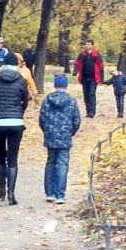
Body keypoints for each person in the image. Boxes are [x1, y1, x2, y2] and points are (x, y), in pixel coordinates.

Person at [0, 52, 29, 205]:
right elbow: (25, 100)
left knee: (0, 155)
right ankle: (11, 193)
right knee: (12, 158)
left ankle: (2, 190)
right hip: (15, 122)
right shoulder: (21, 80)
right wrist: (19, 112)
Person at [39, 74, 81, 204]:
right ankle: (60, 195)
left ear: (55, 85)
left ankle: (49, 193)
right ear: (66, 85)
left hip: (50, 136)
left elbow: (42, 118)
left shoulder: (47, 100)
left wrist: (47, 130)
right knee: (63, 164)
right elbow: (76, 120)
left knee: (50, 162)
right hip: (64, 136)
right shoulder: (71, 101)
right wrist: (70, 132)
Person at [74, 39, 104, 118]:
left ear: (92, 46)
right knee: (86, 95)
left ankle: (92, 112)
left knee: (91, 94)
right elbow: (77, 64)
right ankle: (88, 111)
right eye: (86, 44)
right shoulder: (82, 54)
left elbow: (100, 66)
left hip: (93, 78)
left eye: (89, 44)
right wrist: (75, 72)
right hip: (84, 78)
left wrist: (102, 78)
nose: (87, 46)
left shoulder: (96, 55)